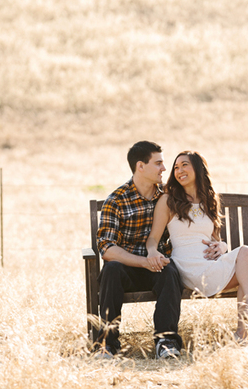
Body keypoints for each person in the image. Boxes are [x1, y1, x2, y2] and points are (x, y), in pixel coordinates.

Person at [146, 151, 248, 343]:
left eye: (184, 165)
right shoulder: (168, 201)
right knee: (247, 270)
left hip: (210, 265)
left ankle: (243, 333)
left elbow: (215, 239)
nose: (179, 171)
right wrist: (151, 252)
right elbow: (153, 238)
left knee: (246, 258)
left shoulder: (209, 200)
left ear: (198, 169)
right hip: (186, 267)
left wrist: (222, 246)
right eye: (176, 167)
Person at [95, 141, 184, 359]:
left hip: (159, 267)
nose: (164, 168)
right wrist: (143, 261)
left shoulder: (168, 196)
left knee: (170, 271)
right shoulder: (116, 200)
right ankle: (107, 344)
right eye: (158, 163)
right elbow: (106, 247)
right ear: (140, 166)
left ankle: (166, 341)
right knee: (111, 270)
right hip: (127, 270)